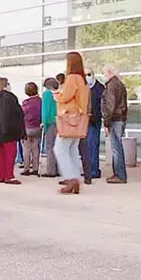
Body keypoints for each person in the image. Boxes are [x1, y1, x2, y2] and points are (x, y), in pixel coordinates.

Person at [54, 53, 90, 195]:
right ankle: (75, 178)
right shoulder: (83, 80)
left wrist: (57, 95)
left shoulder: (72, 78)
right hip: (79, 119)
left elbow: (65, 96)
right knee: (72, 149)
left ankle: (71, 178)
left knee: (60, 149)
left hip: (69, 118)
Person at [0, 78, 25, 185]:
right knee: (10, 153)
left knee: (2, 154)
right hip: (9, 130)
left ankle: (2, 175)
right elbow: (17, 113)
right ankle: (9, 176)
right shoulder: (10, 97)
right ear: (5, 85)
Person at [101, 64, 128, 184]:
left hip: (115, 119)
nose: (103, 75)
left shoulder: (111, 85)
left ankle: (120, 175)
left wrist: (106, 122)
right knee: (117, 147)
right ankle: (117, 173)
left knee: (116, 148)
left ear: (109, 72)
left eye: (104, 72)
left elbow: (110, 105)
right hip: (119, 118)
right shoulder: (119, 84)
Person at [84, 67, 105, 180]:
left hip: (94, 120)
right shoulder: (84, 87)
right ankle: (88, 168)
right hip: (85, 120)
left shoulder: (99, 88)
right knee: (86, 146)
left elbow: (102, 105)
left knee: (93, 145)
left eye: (88, 74)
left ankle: (94, 170)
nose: (87, 77)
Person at [20, 82, 42, 176]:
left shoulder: (25, 103)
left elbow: (22, 114)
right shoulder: (40, 101)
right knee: (35, 148)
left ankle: (26, 168)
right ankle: (36, 168)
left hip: (27, 127)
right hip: (37, 127)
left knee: (26, 149)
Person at [40, 78, 59, 178]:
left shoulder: (47, 94)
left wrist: (44, 122)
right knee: (57, 146)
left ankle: (51, 170)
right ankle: (58, 168)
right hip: (59, 121)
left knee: (50, 146)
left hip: (50, 121)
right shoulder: (58, 93)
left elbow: (45, 110)